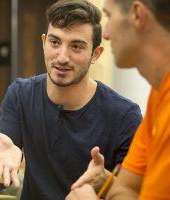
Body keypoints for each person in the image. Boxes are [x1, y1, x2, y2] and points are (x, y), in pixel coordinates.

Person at [0, 0, 142, 199]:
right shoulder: (20, 94)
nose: (61, 57)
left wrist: (106, 180)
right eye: (55, 42)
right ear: (43, 42)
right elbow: (1, 170)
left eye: (76, 46)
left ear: (96, 54)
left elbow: (137, 193)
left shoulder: (124, 116)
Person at [65, 0, 170, 199]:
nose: (105, 34)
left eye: (109, 16)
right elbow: (125, 190)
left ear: (137, 14)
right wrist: (108, 182)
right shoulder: (158, 95)